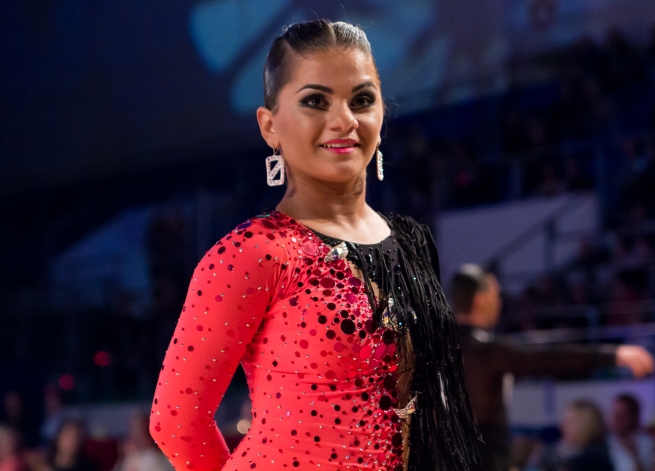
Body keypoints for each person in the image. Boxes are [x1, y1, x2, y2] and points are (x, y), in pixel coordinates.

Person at [150, 19, 481, 471]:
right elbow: (176, 421)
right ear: (269, 126)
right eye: (315, 101)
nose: (344, 120)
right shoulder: (254, 253)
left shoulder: (412, 243)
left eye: (361, 100)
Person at [451, 264, 655, 471]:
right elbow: (546, 358)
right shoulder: (486, 350)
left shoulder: (440, 348)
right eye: (495, 294)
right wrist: (612, 355)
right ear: (480, 299)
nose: (500, 302)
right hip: (485, 459)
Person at [555, 400, 615, 471]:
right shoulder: (604, 451)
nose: (562, 427)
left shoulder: (590, 462)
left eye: (570, 422)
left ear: (586, 424)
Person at [607, 394, 655, 471]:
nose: (616, 418)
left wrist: (634, 456)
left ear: (634, 416)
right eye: (614, 413)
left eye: (622, 414)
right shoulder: (604, 444)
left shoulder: (648, 444)